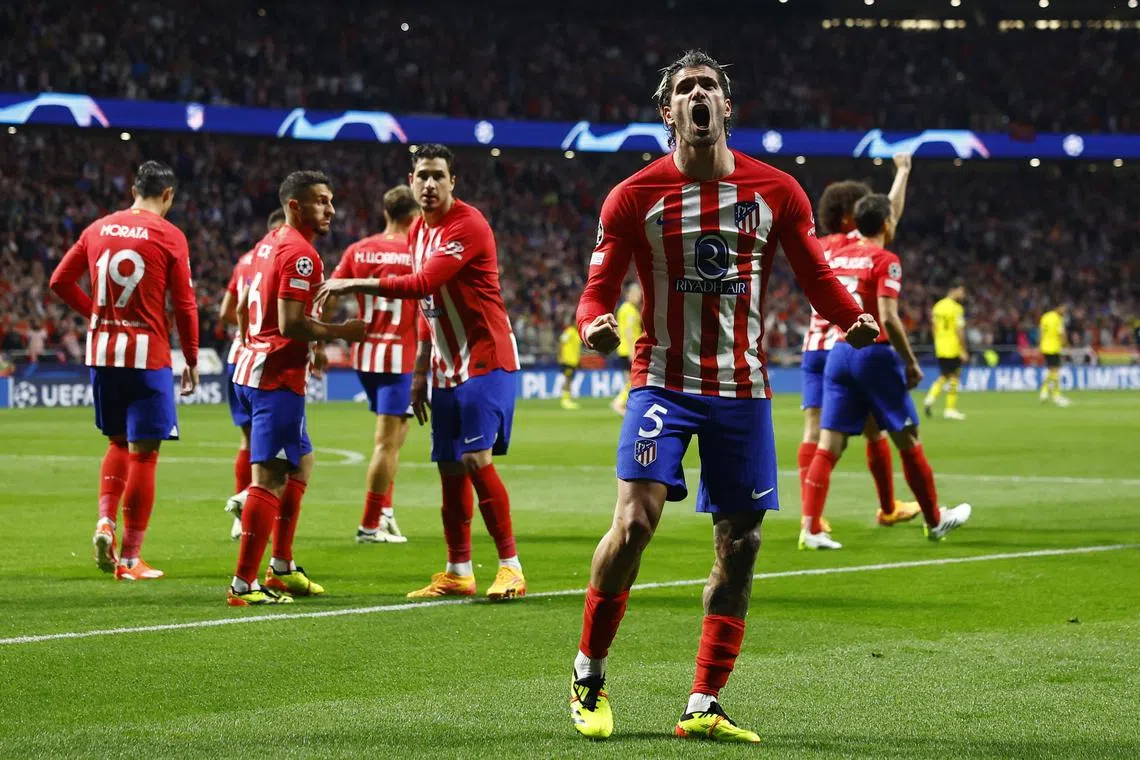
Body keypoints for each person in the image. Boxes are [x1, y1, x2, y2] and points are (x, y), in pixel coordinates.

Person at [568, 50, 879, 743]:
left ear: (728, 107)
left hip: (742, 388)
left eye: (709, 86)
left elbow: (815, 274)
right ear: (668, 112)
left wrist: (851, 316)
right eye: (685, 88)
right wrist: (595, 319)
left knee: (741, 545)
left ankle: (703, 702)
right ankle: (588, 670)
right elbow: (597, 285)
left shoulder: (778, 192)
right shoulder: (633, 197)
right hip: (661, 380)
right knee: (635, 525)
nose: (698, 95)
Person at [318, 144, 524, 602]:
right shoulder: (416, 232)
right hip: (445, 368)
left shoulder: (467, 225)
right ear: (411, 181)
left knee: (475, 460)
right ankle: (458, 571)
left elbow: (423, 284)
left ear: (453, 183)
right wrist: (417, 374)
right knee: (449, 468)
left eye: (438, 176)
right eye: (422, 176)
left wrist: (352, 282)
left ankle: (510, 567)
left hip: (485, 359)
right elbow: (427, 309)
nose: (429, 185)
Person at [48, 160, 199, 580]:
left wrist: (94, 314)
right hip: (146, 355)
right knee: (145, 454)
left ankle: (104, 522)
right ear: (167, 195)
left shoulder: (97, 228)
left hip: (102, 353)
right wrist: (190, 356)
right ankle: (131, 558)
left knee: (117, 443)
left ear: (134, 188)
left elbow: (59, 281)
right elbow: (185, 304)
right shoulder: (170, 235)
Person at [800, 194, 972, 551]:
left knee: (829, 442)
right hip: (873, 353)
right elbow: (889, 316)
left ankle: (811, 528)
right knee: (907, 437)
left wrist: (902, 173)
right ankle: (934, 520)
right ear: (888, 224)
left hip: (838, 351)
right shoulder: (886, 260)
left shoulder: (837, 252)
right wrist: (909, 362)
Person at [226, 170, 365, 606]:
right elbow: (290, 324)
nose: (330, 209)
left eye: (330, 200)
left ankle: (282, 566)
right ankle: (244, 585)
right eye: (321, 201)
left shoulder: (261, 248)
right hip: (275, 378)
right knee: (268, 479)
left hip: (252, 367)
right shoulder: (302, 254)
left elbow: (244, 313)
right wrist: (342, 331)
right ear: (295, 206)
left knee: (301, 464)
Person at [799, 156, 919, 533]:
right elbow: (890, 213)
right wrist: (902, 173)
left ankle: (812, 518)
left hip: (813, 346)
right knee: (873, 430)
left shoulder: (818, 245)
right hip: (843, 344)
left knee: (813, 433)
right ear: (851, 217)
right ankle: (886, 507)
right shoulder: (856, 243)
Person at [326, 185, 419, 543]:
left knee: (395, 439)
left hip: (365, 356)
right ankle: (369, 523)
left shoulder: (358, 250)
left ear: (386, 213)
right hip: (400, 357)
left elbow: (330, 294)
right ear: (413, 217)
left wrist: (326, 334)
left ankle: (386, 510)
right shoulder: (417, 252)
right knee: (386, 443)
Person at [219, 208, 286, 540]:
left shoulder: (247, 259)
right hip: (269, 361)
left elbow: (227, 311)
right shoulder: (288, 255)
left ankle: (240, 515)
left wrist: (247, 332)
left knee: (247, 440)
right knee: (284, 453)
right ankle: (253, 501)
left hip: (237, 356)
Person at [923, 281, 969, 420]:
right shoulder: (956, 308)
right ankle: (950, 409)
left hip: (940, 346)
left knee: (945, 375)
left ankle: (930, 397)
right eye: (961, 291)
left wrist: (938, 341)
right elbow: (959, 330)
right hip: (953, 345)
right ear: (953, 290)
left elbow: (933, 327)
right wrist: (963, 349)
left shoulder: (937, 306)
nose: (963, 295)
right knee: (954, 376)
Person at [610, 283, 642, 415]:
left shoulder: (625, 309)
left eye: (639, 293)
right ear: (628, 294)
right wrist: (632, 352)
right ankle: (618, 403)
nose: (638, 296)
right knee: (634, 381)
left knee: (631, 380)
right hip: (629, 351)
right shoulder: (629, 310)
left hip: (624, 350)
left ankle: (626, 405)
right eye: (635, 293)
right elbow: (629, 332)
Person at [1038, 304, 1070, 406]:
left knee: (1052, 371)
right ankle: (1055, 395)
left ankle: (1045, 392)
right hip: (1054, 347)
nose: (1065, 311)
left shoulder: (1045, 317)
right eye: (1064, 309)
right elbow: (1062, 334)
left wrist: (1040, 343)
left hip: (1044, 347)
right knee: (1055, 371)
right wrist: (1065, 345)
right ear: (1058, 307)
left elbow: (1041, 332)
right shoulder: (1058, 319)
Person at [558, 309, 582, 410]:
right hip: (567, 360)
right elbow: (561, 342)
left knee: (570, 379)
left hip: (574, 361)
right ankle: (565, 400)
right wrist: (561, 357)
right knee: (567, 379)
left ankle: (568, 399)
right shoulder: (569, 331)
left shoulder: (577, 333)